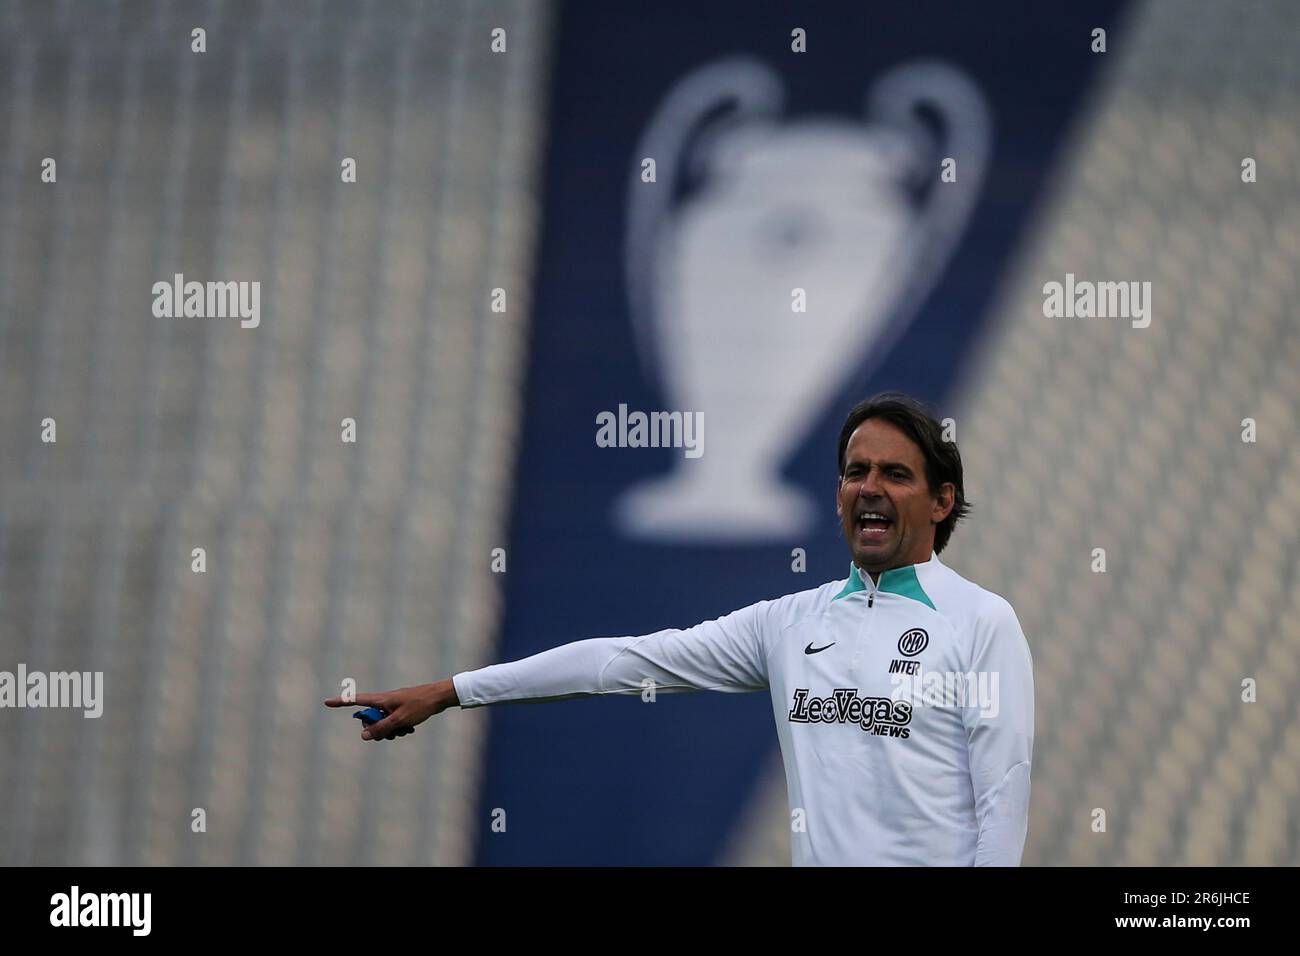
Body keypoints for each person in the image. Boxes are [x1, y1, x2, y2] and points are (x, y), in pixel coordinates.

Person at [324, 391, 1034, 865]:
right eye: (855, 471)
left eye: (895, 474)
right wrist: (454, 690)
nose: (869, 486)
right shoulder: (789, 624)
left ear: (943, 501)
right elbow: (623, 663)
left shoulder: (980, 622)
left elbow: (1003, 793)